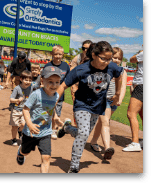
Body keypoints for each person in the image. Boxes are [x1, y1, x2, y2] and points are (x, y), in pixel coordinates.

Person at [55, 41, 123, 172]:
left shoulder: (111, 67)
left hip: (98, 106)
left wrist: (118, 93)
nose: (107, 62)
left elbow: (119, 75)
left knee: (83, 134)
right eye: (103, 58)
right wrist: (52, 103)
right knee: (84, 132)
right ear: (94, 55)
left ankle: (67, 128)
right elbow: (63, 86)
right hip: (82, 104)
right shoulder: (81, 69)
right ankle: (74, 166)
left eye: (109, 59)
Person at [16, 66, 64, 173]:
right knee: (25, 152)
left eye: (57, 82)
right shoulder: (36, 94)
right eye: (50, 82)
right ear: (42, 80)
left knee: (46, 158)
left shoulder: (56, 95)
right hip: (31, 132)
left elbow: (52, 108)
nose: (54, 85)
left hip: (45, 131)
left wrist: (55, 117)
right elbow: (25, 109)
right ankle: (20, 153)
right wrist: (29, 124)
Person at [88, 47, 127, 154]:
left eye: (119, 58)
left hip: (113, 101)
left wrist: (120, 99)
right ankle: (107, 148)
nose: (116, 60)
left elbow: (123, 86)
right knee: (105, 121)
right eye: (114, 57)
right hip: (103, 99)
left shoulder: (122, 71)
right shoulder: (105, 68)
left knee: (101, 122)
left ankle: (93, 141)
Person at [41, 45, 71, 140]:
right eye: (56, 54)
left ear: (63, 55)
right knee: (47, 111)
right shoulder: (48, 66)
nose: (58, 56)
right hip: (48, 93)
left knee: (57, 111)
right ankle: (45, 128)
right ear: (52, 54)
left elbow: (69, 78)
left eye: (60, 54)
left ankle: (53, 130)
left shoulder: (65, 66)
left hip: (60, 94)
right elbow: (43, 77)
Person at [123, 47, 143, 152]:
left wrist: (140, 53)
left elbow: (131, 59)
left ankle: (135, 142)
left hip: (141, 85)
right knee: (142, 115)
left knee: (131, 113)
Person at [9, 70, 33, 146]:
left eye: (30, 80)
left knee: (23, 124)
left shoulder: (31, 88)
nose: (28, 82)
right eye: (26, 80)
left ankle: (20, 132)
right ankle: (13, 139)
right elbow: (11, 99)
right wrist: (17, 100)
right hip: (16, 110)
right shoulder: (17, 88)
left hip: (25, 110)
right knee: (15, 126)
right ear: (21, 79)